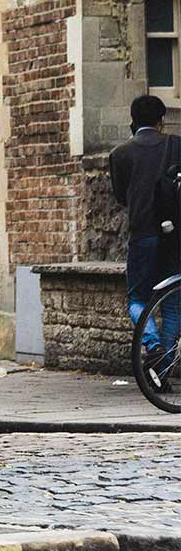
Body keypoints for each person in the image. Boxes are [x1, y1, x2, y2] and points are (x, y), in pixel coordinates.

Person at [109, 95, 180, 388]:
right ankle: (162, 372)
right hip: (175, 236)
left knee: (138, 299)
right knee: (173, 304)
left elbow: (120, 197)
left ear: (133, 121)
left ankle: (152, 345)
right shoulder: (177, 145)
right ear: (161, 120)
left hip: (143, 234)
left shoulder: (120, 154)